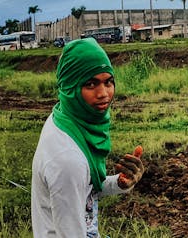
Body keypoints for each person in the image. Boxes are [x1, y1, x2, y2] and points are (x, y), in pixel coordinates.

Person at [31, 39, 145, 238]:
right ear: (70, 87)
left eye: (108, 82)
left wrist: (118, 183)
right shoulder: (67, 159)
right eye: (91, 84)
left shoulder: (64, 118)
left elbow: (82, 190)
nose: (104, 94)